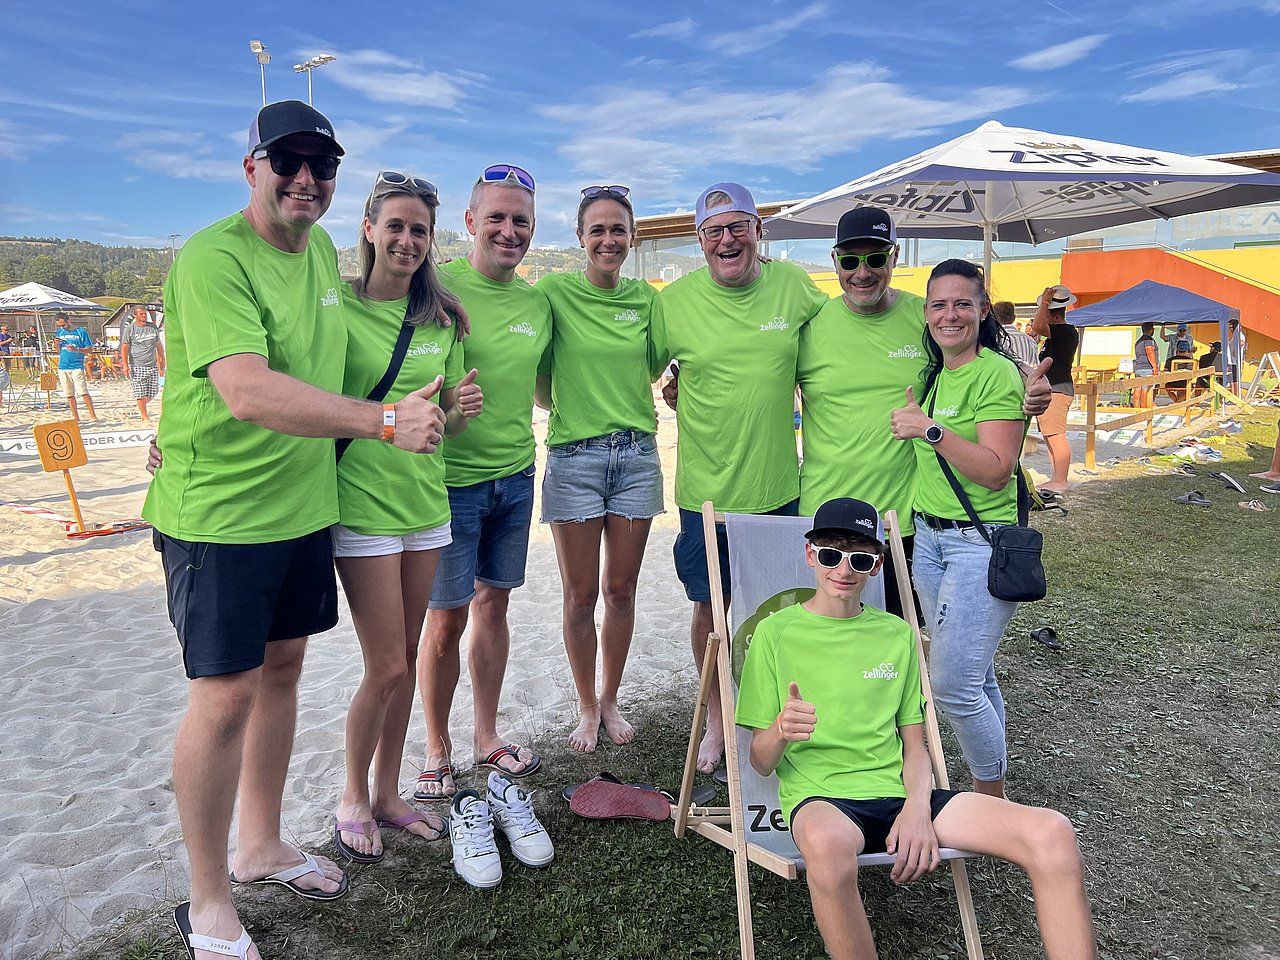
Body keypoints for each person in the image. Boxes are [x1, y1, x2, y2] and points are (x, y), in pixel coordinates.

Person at [143, 101, 448, 960]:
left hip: (305, 510)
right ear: (252, 167)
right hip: (221, 518)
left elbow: (331, 351)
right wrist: (383, 422)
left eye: (323, 165)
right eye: (289, 161)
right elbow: (246, 389)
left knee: (283, 671)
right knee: (225, 692)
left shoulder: (316, 250)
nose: (305, 179)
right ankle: (208, 899)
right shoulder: (214, 258)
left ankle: (261, 844)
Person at [735, 496, 1096, 960]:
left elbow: (915, 746)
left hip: (901, 791)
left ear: (876, 565)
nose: (844, 569)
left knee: (1052, 832)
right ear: (811, 555)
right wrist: (781, 730)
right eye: (830, 554)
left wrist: (917, 810)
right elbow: (760, 762)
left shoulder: (898, 635)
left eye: (860, 558)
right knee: (826, 847)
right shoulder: (774, 633)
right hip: (823, 799)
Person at [330, 171, 483, 865]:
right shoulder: (335, 305)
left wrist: (456, 414)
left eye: (419, 229)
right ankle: (351, 796)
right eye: (395, 225)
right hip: (361, 507)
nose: (407, 239)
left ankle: (390, 794)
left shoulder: (442, 319)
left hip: (427, 507)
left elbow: (435, 426)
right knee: (387, 665)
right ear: (368, 229)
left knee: (403, 662)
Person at [796, 208, 1051, 619]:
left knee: (904, 641)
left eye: (876, 258)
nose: (863, 272)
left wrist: (1029, 384)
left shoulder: (928, 314)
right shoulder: (810, 324)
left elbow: (981, 352)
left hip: (903, 520)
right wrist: (684, 381)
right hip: (824, 512)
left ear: (894, 258)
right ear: (835, 262)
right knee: (829, 639)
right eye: (850, 260)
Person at [657, 182, 828, 774]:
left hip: (779, 489)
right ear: (699, 240)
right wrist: (673, 392)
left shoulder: (796, 288)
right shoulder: (672, 303)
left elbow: (850, 341)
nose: (726, 240)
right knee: (709, 612)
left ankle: (774, 718)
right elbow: (633, 371)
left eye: (737, 227)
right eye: (713, 231)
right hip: (706, 497)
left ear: (759, 232)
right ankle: (713, 724)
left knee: (777, 615)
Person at [415, 164, 552, 803]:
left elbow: (550, 384)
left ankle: (485, 735)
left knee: (494, 606)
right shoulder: (438, 291)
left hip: (516, 475)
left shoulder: (537, 301)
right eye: (494, 217)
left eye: (519, 220)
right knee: (444, 621)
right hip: (450, 483)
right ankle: (437, 748)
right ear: (469, 222)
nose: (507, 230)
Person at [535, 185, 666, 753]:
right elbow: (540, 380)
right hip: (574, 459)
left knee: (622, 589)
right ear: (580, 237)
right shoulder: (553, 292)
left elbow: (657, 367)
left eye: (619, 230)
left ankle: (610, 699)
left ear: (632, 238)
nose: (608, 240)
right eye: (598, 230)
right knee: (578, 595)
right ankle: (585, 705)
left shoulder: (647, 300)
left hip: (636, 456)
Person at [890, 259, 1026, 798]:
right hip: (929, 539)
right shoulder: (933, 374)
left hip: (979, 544)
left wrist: (930, 429)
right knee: (977, 673)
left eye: (962, 303)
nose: (950, 314)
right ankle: (992, 779)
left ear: (982, 310)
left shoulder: (995, 373)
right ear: (925, 314)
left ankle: (989, 800)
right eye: (939, 304)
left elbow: (996, 471)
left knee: (952, 686)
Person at [1028, 285, 1079, 496]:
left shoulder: (1065, 331)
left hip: (1057, 389)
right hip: (1056, 389)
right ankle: (1056, 478)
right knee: (1050, 435)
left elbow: (1037, 325)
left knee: (1056, 435)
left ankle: (1060, 480)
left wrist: (1046, 302)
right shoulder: (1060, 335)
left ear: (1053, 316)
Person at [120, 305, 166, 422]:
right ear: (135, 315)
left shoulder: (152, 327)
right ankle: (144, 415)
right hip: (137, 364)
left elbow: (158, 346)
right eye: (141, 314)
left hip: (152, 364)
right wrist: (125, 365)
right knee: (140, 393)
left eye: (145, 313)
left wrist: (162, 361)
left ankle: (141, 405)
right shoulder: (130, 329)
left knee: (153, 391)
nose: (144, 316)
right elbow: (124, 347)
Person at [53, 314, 97, 421]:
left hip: (77, 365)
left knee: (83, 391)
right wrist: (56, 344)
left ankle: (93, 415)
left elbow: (90, 349)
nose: (62, 327)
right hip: (63, 366)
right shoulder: (60, 332)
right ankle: (76, 417)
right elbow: (58, 351)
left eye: (63, 324)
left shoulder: (81, 332)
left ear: (68, 321)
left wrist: (77, 349)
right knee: (69, 393)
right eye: (59, 325)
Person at [994, 300, 1039, 372]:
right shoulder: (1029, 340)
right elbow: (1035, 368)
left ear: (994, 318)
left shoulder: (993, 339)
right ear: (1014, 318)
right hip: (1027, 380)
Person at [1132, 322, 1159, 408]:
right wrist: (1154, 366)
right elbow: (1150, 352)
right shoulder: (1148, 340)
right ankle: (1144, 409)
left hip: (1139, 367)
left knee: (1138, 388)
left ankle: (1136, 408)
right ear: (1151, 330)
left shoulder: (1138, 341)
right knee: (1145, 389)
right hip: (1147, 368)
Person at [1226, 318, 1247, 396]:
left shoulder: (1239, 335)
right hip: (1231, 361)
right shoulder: (1234, 335)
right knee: (1232, 380)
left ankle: (1234, 396)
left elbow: (1241, 342)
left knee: (1234, 380)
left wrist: (1235, 351)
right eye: (1230, 327)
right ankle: (1233, 396)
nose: (1230, 329)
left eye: (1232, 327)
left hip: (1234, 362)